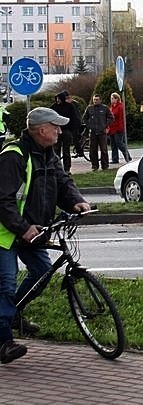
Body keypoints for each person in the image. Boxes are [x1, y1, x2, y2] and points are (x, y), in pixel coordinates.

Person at [0, 107, 92, 364]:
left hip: (34, 230)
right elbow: (3, 201)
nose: (60, 131)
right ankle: (4, 342)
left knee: (42, 272)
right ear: (42, 130)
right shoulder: (14, 156)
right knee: (5, 284)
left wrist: (76, 202)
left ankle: (13, 313)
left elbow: (63, 183)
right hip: (6, 232)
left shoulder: (49, 155)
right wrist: (23, 228)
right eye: (56, 127)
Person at [50, 90, 82, 175]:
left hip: (67, 131)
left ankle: (67, 168)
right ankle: (56, 167)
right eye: (56, 99)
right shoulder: (53, 107)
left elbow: (74, 118)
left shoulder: (69, 106)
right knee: (56, 150)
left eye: (59, 98)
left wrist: (73, 129)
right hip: (56, 131)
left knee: (66, 151)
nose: (58, 100)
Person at [82, 94, 114, 171]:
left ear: (100, 100)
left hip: (102, 132)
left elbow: (111, 118)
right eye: (94, 100)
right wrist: (89, 126)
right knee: (93, 150)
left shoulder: (105, 108)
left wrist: (105, 125)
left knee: (104, 149)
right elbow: (84, 118)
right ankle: (94, 166)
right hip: (93, 132)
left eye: (97, 100)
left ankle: (105, 166)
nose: (95, 101)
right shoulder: (90, 108)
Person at [108, 92, 132, 164]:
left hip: (118, 128)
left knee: (119, 143)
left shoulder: (120, 107)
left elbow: (121, 118)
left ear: (117, 99)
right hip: (112, 128)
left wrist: (121, 128)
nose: (111, 100)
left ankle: (127, 156)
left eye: (112, 98)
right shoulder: (111, 107)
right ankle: (115, 159)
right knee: (113, 144)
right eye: (111, 98)